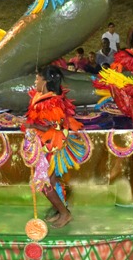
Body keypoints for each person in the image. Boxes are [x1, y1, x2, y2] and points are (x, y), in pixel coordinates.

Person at [22, 65, 86, 228]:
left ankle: (65, 214)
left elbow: (56, 127)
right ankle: (60, 210)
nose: (35, 81)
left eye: (37, 78)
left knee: (45, 183)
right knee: (50, 181)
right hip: (44, 143)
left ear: (45, 81)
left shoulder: (52, 102)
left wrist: (30, 126)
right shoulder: (42, 96)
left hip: (51, 145)